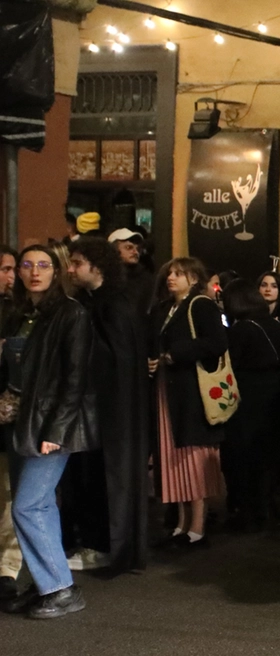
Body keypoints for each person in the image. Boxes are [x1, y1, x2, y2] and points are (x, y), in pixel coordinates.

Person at [0, 247, 96, 619]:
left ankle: (61, 588)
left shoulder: (71, 313)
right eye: (27, 265)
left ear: (56, 271)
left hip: (50, 423)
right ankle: (45, 585)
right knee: (34, 505)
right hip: (20, 420)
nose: (34, 272)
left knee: (27, 505)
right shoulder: (22, 314)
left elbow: (75, 378)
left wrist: (57, 429)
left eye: (43, 265)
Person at [60, 238, 149, 574]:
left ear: (96, 266)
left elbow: (118, 362)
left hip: (111, 412)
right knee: (90, 477)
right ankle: (96, 543)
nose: (71, 269)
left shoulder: (113, 305)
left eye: (77, 262)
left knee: (106, 477)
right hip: (99, 411)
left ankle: (105, 546)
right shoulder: (96, 302)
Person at [149, 257, 228, 549]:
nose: (171, 277)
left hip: (192, 393)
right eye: (169, 273)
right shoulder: (164, 309)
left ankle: (197, 524)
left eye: (179, 274)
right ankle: (182, 523)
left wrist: (175, 354)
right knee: (173, 455)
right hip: (170, 390)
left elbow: (217, 342)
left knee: (192, 456)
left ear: (194, 278)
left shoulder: (201, 305)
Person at [220, 279, 280, 532]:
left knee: (242, 458)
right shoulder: (275, 326)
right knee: (267, 458)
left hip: (248, 399)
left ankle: (246, 512)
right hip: (275, 397)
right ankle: (265, 509)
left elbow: (232, 365)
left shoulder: (242, 330)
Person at [0, 249, 21, 598]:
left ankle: (7, 569)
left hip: (8, 414)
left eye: (12, 269)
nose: (12, 276)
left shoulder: (19, 313)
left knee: (8, 493)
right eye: (4, 269)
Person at [108, 228, 154, 319]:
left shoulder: (146, 280)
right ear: (114, 250)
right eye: (129, 247)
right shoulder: (104, 278)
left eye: (138, 249)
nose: (135, 252)